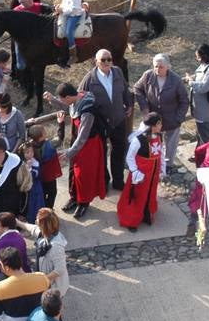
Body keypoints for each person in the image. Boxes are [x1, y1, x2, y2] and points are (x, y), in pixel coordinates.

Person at [47, 83, 106, 220]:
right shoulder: (76, 99)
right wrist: (53, 100)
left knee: (83, 175)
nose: (62, 101)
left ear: (68, 97)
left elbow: (83, 136)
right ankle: (74, 198)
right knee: (73, 172)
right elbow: (69, 107)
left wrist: (69, 152)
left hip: (89, 145)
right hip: (77, 144)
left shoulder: (88, 110)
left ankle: (83, 203)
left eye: (61, 99)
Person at [78, 48, 132, 190]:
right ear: (96, 61)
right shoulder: (89, 79)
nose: (107, 62)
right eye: (103, 60)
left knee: (119, 151)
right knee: (101, 154)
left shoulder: (118, 72)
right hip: (100, 124)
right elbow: (80, 99)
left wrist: (129, 105)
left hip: (119, 120)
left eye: (109, 59)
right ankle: (104, 180)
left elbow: (126, 90)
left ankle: (118, 181)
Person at [133, 54, 190, 175]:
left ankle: (168, 165)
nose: (157, 69)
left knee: (171, 144)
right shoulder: (148, 75)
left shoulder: (176, 80)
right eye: (155, 66)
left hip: (171, 118)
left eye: (161, 67)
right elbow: (137, 89)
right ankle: (152, 161)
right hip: (153, 118)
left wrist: (178, 118)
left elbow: (184, 101)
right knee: (152, 141)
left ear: (168, 67)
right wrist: (144, 108)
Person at [118, 114, 164, 232]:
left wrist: (162, 168)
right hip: (141, 174)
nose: (161, 125)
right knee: (138, 195)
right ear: (152, 125)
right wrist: (135, 172)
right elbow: (129, 157)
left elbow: (160, 153)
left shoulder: (159, 136)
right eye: (159, 123)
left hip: (153, 173)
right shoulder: (138, 140)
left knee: (149, 193)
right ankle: (132, 220)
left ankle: (147, 213)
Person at [25, 208, 68, 297]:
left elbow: (60, 269)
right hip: (45, 281)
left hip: (53, 287)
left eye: (37, 220)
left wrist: (43, 280)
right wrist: (18, 223)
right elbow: (33, 229)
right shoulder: (47, 233)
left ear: (43, 225)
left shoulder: (56, 246)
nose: (35, 221)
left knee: (50, 306)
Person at [27, 124, 60, 214]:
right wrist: (60, 123)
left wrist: (28, 125)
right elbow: (60, 138)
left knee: (43, 193)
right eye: (44, 132)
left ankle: (43, 209)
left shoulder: (30, 145)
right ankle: (49, 211)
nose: (46, 133)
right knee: (52, 193)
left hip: (39, 175)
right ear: (41, 137)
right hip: (49, 174)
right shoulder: (49, 145)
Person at [56, 0, 85, 67]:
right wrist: (59, 6)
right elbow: (66, 2)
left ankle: (74, 55)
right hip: (67, 12)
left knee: (68, 32)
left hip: (74, 15)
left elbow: (74, 8)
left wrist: (62, 10)